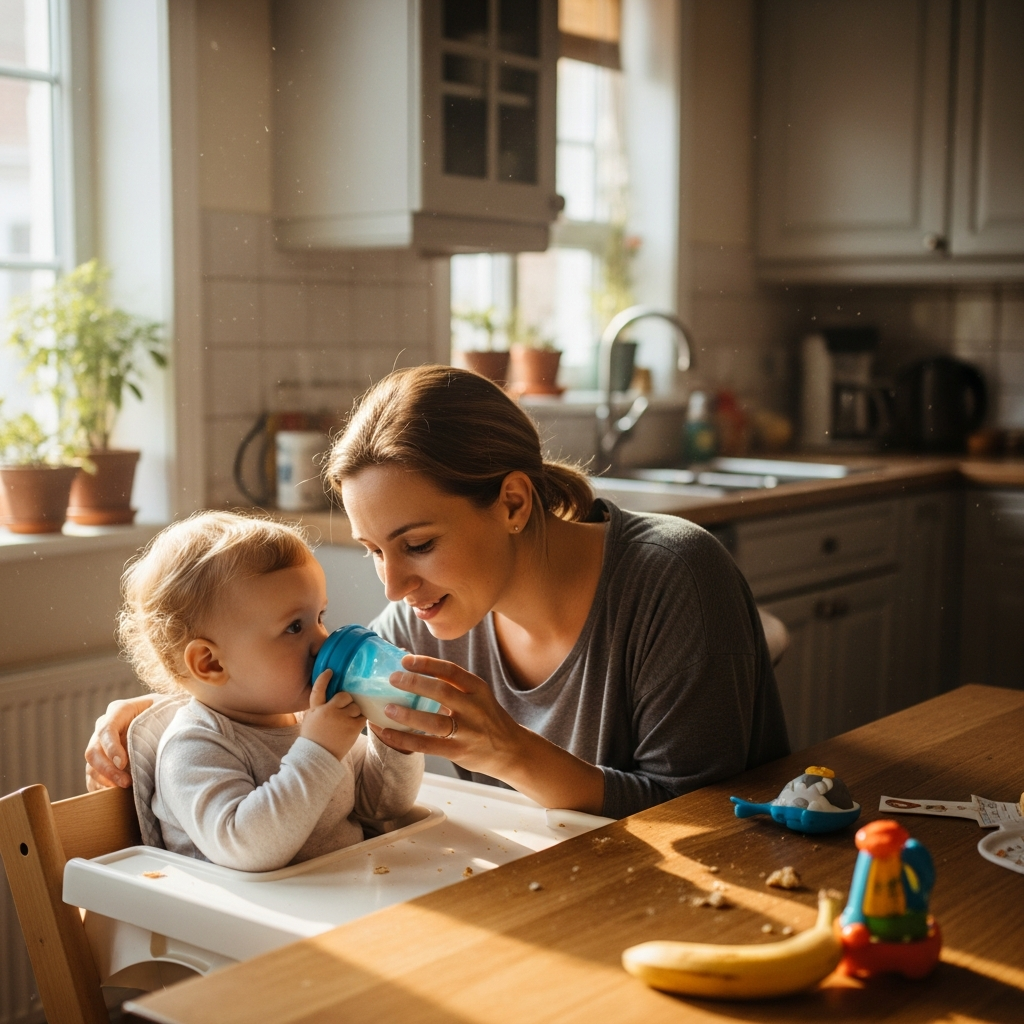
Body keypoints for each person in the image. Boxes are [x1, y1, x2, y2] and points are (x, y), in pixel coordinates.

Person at [87, 366, 788, 819]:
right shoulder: (424, 618)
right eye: (373, 551)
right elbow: (315, 674)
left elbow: (700, 816)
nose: (393, 586)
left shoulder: (673, 576)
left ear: (514, 503)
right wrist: (171, 703)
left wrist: (512, 752)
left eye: (418, 544)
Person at [116, 511, 422, 870]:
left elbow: (382, 807)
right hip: (234, 923)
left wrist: (394, 737)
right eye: (295, 627)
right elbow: (244, 846)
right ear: (211, 663)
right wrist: (319, 751)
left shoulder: (312, 717)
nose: (322, 641)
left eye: (320, 617)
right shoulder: (194, 747)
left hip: (336, 904)